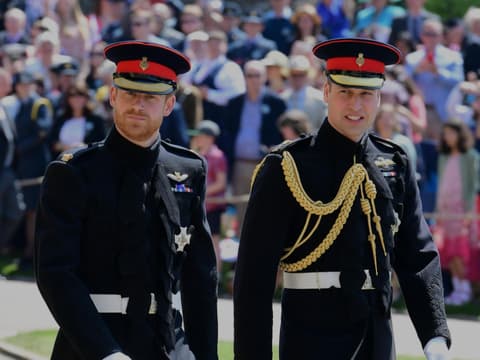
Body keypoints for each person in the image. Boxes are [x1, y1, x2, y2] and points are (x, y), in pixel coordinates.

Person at [234, 38, 451, 360]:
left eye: (366, 94)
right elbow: (254, 275)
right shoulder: (287, 166)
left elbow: (417, 254)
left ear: (379, 98)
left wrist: (434, 336)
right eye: (345, 92)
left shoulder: (394, 162)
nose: (356, 105)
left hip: (376, 334)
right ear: (326, 92)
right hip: (311, 332)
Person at [35, 41, 218, 360]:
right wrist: (106, 352)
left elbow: (200, 278)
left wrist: (205, 354)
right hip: (92, 345)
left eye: (150, 97)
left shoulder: (188, 170)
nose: (138, 105)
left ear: (169, 104)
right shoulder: (75, 172)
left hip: (167, 345)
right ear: (114, 96)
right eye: (130, 94)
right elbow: (56, 274)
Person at [435, 120, 479, 306]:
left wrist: (469, 210)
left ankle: (465, 290)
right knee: (448, 251)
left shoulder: (470, 156)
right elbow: (441, 185)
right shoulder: (443, 157)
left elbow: (473, 184)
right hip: (446, 210)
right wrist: (438, 209)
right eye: (445, 133)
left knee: (462, 251)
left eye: (451, 133)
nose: (448, 137)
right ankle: (456, 289)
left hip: (462, 210)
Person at [190, 120, 228, 276]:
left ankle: (216, 277)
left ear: (209, 137)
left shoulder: (217, 156)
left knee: (214, 241)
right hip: (201, 206)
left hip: (212, 207)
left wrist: (201, 191)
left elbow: (221, 183)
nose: (197, 139)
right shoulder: (198, 154)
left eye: (200, 136)